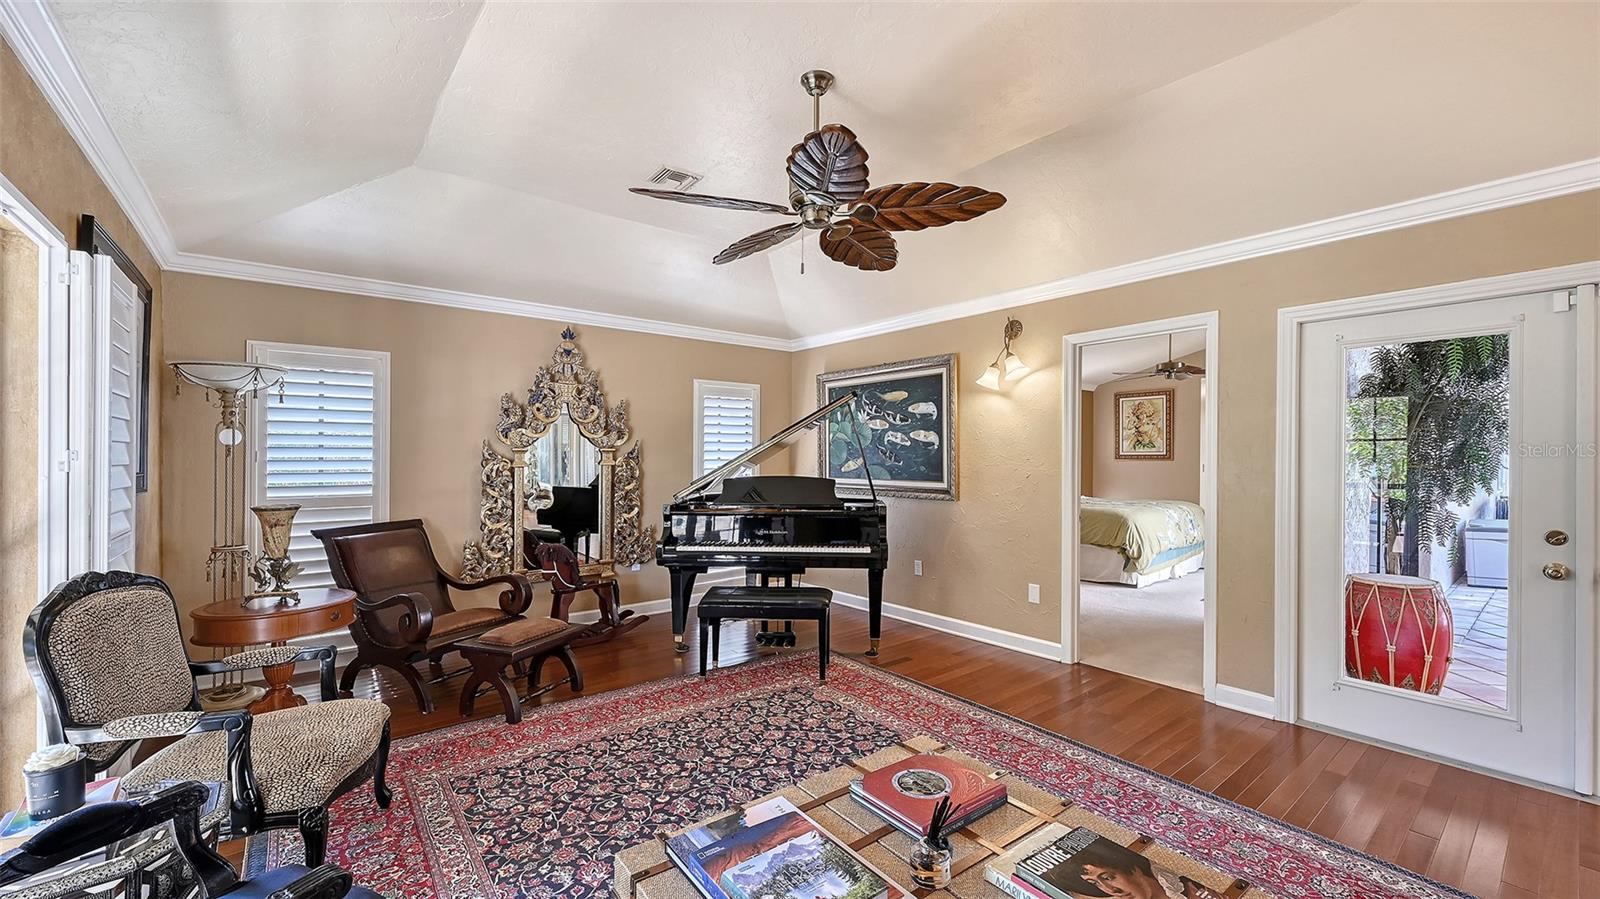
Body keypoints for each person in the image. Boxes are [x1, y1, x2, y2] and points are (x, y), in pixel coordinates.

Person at [1056, 839, 1224, 899]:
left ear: (1134, 869)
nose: (1111, 890)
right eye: (1095, 883)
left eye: (1108, 877)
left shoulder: (1195, 891)